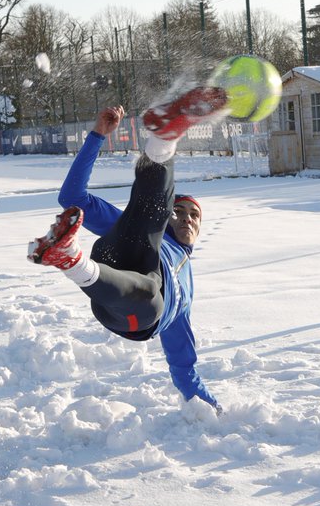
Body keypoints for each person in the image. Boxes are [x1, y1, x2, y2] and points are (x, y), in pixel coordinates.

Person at [28, 88, 227, 413]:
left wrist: (213, 409)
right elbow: (72, 198)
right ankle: (164, 138)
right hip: (121, 254)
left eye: (194, 215)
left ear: (199, 230)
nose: (186, 218)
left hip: (133, 315)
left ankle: (72, 260)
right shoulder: (153, 229)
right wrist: (97, 135)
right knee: (150, 215)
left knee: (149, 292)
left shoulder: (185, 297)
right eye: (181, 212)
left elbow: (183, 368)